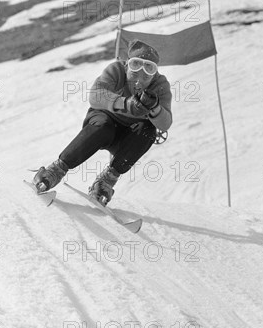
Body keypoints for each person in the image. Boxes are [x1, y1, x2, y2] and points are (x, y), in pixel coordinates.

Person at [33, 39, 173, 205]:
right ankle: (56, 170)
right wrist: (125, 104)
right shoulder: (116, 70)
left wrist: (155, 108)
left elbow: (165, 124)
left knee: (148, 131)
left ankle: (106, 182)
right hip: (103, 121)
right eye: (135, 67)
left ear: (154, 73)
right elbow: (95, 95)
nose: (139, 78)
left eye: (148, 70)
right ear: (127, 64)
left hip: (128, 135)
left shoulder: (160, 85)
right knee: (103, 127)